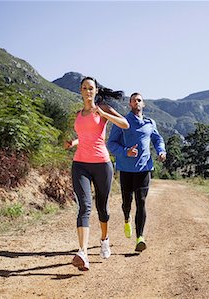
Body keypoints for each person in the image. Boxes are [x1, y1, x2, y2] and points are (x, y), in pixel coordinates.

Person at [64, 76, 129, 271]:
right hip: (80, 164)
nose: (88, 91)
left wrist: (103, 113)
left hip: (102, 164)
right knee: (84, 206)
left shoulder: (103, 109)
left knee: (103, 208)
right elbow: (84, 137)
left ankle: (104, 239)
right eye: (84, 88)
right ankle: (82, 252)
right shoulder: (78, 114)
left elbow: (124, 124)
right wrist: (73, 143)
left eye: (91, 88)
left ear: (96, 91)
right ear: (80, 91)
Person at [107, 92, 166, 252]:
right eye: (133, 101)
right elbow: (111, 144)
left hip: (144, 168)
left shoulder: (150, 122)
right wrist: (126, 151)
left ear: (143, 104)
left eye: (139, 100)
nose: (136, 103)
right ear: (130, 104)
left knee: (141, 201)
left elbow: (157, 139)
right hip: (126, 169)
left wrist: (161, 151)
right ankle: (126, 218)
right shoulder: (122, 122)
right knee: (127, 202)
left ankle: (140, 237)